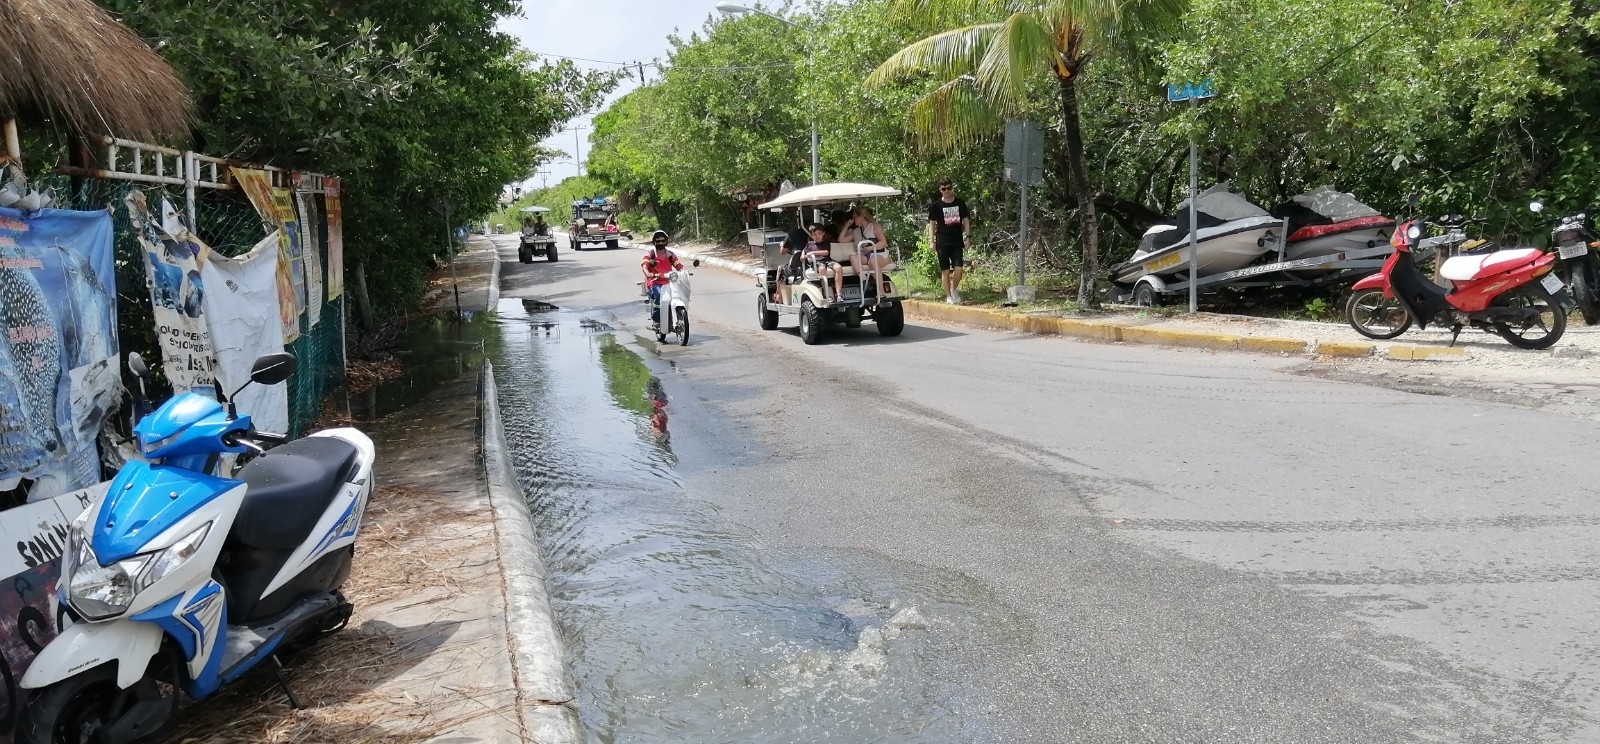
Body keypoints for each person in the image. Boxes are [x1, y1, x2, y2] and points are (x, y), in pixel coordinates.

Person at [927, 179, 971, 304]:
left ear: (952, 188)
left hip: (957, 241)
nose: (947, 191)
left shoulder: (959, 203)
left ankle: (953, 289)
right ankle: (948, 296)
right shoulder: (936, 206)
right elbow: (931, 223)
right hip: (942, 242)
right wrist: (932, 241)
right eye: (943, 189)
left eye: (949, 188)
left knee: (959, 268)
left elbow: (966, 220)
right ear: (940, 190)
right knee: (945, 270)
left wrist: (968, 237)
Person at [641, 230, 683, 329]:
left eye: (662, 241)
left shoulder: (670, 255)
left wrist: (683, 271)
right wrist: (648, 273)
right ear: (654, 242)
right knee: (659, 296)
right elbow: (645, 265)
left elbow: (678, 265)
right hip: (655, 282)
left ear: (666, 241)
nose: (660, 243)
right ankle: (656, 321)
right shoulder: (650, 254)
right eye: (658, 241)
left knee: (679, 295)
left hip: (669, 281)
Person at [841, 207, 890, 290]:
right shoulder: (856, 231)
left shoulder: (875, 226)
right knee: (853, 257)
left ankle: (880, 291)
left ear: (861, 217)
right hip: (866, 255)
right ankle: (865, 281)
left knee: (872, 261)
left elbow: (883, 242)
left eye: (855, 217)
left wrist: (870, 248)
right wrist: (846, 226)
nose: (853, 219)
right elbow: (841, 240)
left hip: (879, 254)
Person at [803, 224, 844, 301]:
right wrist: (802, 256)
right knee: (822, 269)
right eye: (814, 234)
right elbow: (804, 251)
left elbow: (826, 252)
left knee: (838, 267)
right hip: (818, 262)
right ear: (811, 235)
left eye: (819, 234)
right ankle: (829, 295)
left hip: (827, 260)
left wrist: (812, 253)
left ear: (823, 233)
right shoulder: (809, 244)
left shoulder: (826, 242)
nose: (817, 236)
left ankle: (839, 294)